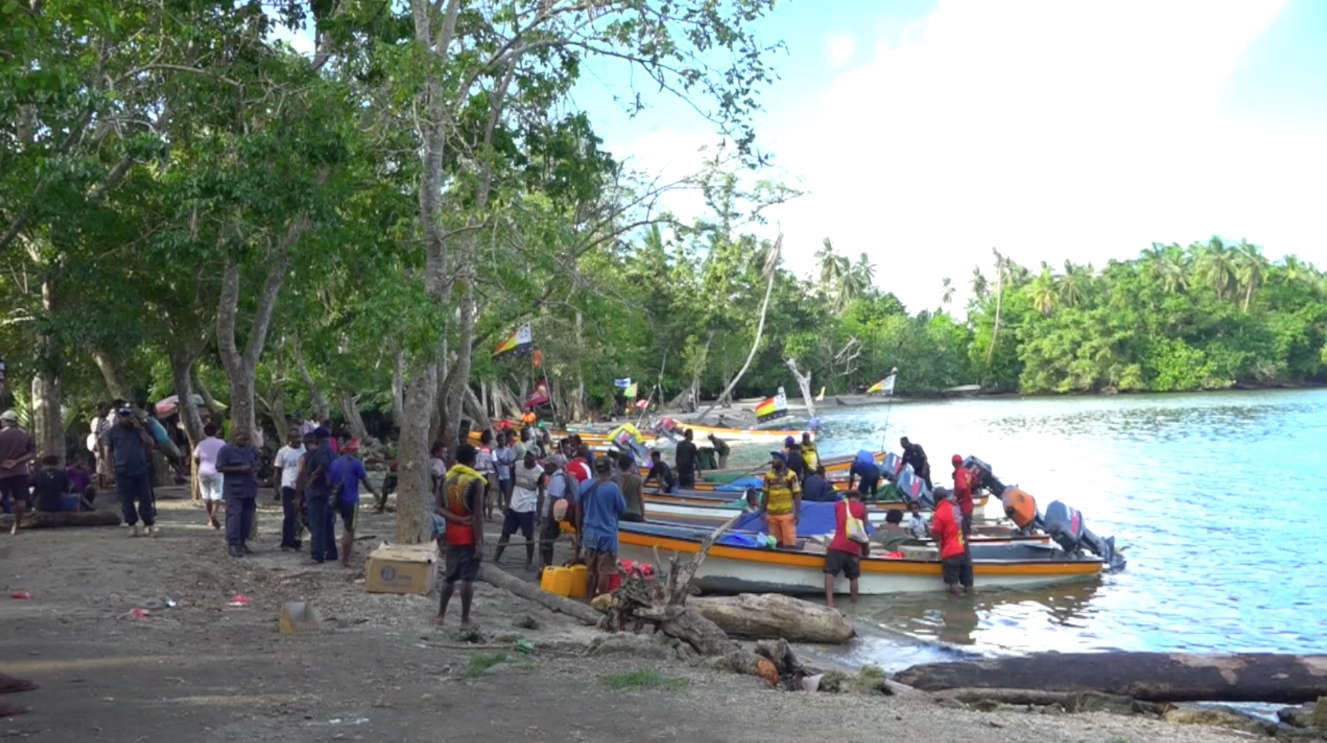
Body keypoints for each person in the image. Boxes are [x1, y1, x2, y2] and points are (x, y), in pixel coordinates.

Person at [435, 443, 485, 627]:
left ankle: (441, 615)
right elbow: (478, 514)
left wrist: (456, 519)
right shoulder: (476, 481)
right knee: (467, 579)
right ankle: (465, 619)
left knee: (449, 577)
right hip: (469, 535)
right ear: (472, 460)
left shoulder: (445, 478)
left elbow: (438, 508)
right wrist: (479, 542)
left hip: (451, 535)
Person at [100, 406, 157, 537]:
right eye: (123, 416)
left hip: (141, 469)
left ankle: (148, 523)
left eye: (128, 415)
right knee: (126, 499)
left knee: (145, 497)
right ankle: (132, 525)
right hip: (122, 471)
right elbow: (107, 453)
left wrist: (140, 429)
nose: (126, 418)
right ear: (119, 417)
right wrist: (109, 471)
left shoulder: (139, 430)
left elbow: (151, 443)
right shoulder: (112, 432)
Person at [577, 458, 626, 600]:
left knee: (590, 571)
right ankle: (601, 601)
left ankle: (588, 599)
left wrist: (579, 530)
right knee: (604, 571)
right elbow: (622, 509)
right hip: (607, 534)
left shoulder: (584, 485)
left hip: (589, 532)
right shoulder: (613, 488)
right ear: (609, 469)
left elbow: (578, 510)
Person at [329, 440, 378, 569]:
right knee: (349, 530)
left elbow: (330, 482)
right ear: (352, 450)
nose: (357, 451)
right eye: (356, 449)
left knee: (344, 526)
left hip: (338, 500)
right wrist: (375, 493)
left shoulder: (335, 463)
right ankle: (345, 560)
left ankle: (341, 556)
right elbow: (365, 481)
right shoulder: (356, 463)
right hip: (351, 500)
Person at [494, 449, 543, 570]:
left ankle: (529, 562)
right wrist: (507, 503)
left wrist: (538, 512)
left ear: (536, 458)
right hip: (514, 506)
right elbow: (511, 484)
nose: (527, 459)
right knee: (505, 533)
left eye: (530, 457)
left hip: (528, 507)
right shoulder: (517, 465)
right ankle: (495, 558)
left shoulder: (539, 472)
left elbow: (541, 493)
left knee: (529, 536)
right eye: (526, 456)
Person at [216, 431, 260, 557]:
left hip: (249, 489)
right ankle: (233, 543)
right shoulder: (225, 450)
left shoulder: (250, 450)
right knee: (234, 516)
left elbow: (256, 463)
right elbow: (219, 467)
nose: (245, 441)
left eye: (247, 439)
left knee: (247, 518)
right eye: (242, 438)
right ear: (235, 437)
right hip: (234, 490)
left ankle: (242, 542)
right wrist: (239, 469)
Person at [299, 428, 338, 564]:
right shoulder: (332, 450)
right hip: (327, 491)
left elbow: (323, 465)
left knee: (317, 524)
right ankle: (331, 552)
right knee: (327, 523)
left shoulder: (322, 450)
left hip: (318, 491)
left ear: (317, 438)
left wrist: (312, 478)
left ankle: (317, 554)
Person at [824, 489, 867, 609]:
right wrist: (864, 551)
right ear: (859, 497)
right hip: (854, 548)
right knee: (854, 577)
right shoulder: (863, 508)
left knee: (830, 573)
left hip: (837, 545)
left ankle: (830, 604)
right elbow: (863, 531)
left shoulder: (838, 505)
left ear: (846, 497)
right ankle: (853, 603)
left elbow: (840, 522)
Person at [0, 410, 35, 534]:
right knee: (20, 500)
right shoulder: (24, 435)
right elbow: (31, 453)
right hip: (20, 471)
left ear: (4, 421)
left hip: (2, 472)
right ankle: (16, 527)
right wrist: (16, 462)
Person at [932, 489, 972, 595]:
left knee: (953, 585)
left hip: (951, 552)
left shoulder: (938, 513)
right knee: (969, 585)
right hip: (964, 550)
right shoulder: (956, 508)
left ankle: (954, 605)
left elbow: (936, 536)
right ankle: (970, 603)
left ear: (935, 499)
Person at [759, 451, 801, 548]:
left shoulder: (791, 475)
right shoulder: (768, 475)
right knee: (775, 543)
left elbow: (797, 494)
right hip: (772, 515)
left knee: (789, 543)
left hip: (786, 515)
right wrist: (762, 511)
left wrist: (798, 513)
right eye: (773, 458)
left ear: (782, 461)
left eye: (775, 459)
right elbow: (765, 494)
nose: (773, 461)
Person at [272, 431, 305, 551]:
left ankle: (297, 541)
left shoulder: (304, 450)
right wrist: (276, 489)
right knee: (289, 515)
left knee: (301, 516)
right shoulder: (283, 451)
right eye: (295, 437)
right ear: (290, 438)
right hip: (288, 486)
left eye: (300, 436)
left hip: (302, 487)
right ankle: (286, 542)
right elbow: (277, 471)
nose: (298, 439)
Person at [538, 454, 570, 568]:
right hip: (549, 515)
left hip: (550, 516)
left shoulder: (557, 479)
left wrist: (550, 520)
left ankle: (546, 567)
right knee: (545, 544)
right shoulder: (556, 477)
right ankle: (545, 566)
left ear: (554, 466)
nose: (545, 467)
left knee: (546, 544)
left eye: (547, 465)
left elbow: (554, 501)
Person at [193, 423, 227, 529]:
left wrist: (201, 464)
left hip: (203, 471)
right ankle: (214, 514)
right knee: (217, 495)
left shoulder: (201, 444)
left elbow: (195, 458)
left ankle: (210, 519)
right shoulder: (222, 443)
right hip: (217, 471)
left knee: (206, 496)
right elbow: (226, 456)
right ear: (217, 432)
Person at [951, 455, 977, 538]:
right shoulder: (967, 471)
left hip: (963, 506)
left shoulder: (959, 473)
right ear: (962, 462)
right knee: (967, 529)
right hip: (969, 504)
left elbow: (962, 487)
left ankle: (964, 544)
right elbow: (974, 479)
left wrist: (956, 497)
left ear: (952, 463)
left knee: (963, 531)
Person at [616, 452, 646, 522]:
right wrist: (643, 515)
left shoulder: (615, 479)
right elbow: (641, 499)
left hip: (620, 513)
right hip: (635, 514)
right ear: (631, 465)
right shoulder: (637, 479)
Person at [474, 429, 496, 520]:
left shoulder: (477, 449)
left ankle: (482, 514)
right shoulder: (491, 450)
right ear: (490, 440)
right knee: (491, 494)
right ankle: (489, 516)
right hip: (489, 473)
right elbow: (494, 462)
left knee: (481, 495)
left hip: (478, 474)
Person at [493, 430, 515, 513]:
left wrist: (503, 462)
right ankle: (500, 508)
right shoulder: (494, 450)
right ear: (497, 440)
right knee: (498, 493)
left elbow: (511, 461)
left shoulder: (508, 450)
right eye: (501, 440)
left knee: (506, 492)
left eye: (503, 440)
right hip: (497, 474)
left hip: (506, 474)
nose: (502, 442)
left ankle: (507, 507)